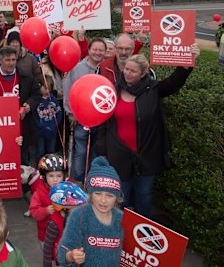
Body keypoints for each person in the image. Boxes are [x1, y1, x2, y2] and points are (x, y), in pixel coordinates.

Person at [96, 50, 199, 218]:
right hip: (119, 156)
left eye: (133, 71)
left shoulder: (153, 89)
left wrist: (187, 63)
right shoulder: (114, 89)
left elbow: (173, 82)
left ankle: (140, 232)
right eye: (126, 69)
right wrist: (102, 149)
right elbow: (105, 122)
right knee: (121, 197)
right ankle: (119, 233)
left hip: (146, 155)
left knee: (144, 195)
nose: (127, 73)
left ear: (143, 73)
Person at [57, 157, 124, 266]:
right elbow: (63, 250)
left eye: (110, 195)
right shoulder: (79, 215)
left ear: (117, 197)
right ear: (90, 194)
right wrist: (71, 256)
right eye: (98, 193)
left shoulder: (122, 219)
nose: (103, 200)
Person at [0, 47, 41, 166]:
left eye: (13, 60)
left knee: (22, 161)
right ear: (0, 61)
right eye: (8, 60)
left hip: (20, 127)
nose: (11, 63)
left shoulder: (26, 76)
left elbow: (37, 94)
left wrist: (28, 105)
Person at [63, 38, 107, 182]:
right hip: (81, 118)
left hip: (101, 120)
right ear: (89, 50)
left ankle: (92, 181)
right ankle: (79, 180)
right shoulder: (77, 68)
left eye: (101, 50)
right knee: (81, 151)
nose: (97, 53)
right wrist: (71, 113)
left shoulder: (106, 68)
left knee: (96, 152)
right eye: (95, 49)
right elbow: (68, 90)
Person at [29, 154, 67, 267]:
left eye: (59, 175)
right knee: (48, 257)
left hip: (63, 235)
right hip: (45, 235)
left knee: (62, 258)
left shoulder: (67, 189)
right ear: (44, 177)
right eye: (51, 176)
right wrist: (45, 210)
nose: (55, 179)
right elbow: (34, 211)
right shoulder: (39, 192)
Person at [34, 76, 62, 160]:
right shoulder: (37, 100)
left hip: (52, 130)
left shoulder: (53, 100)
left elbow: (59, 112)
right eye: (45, 88)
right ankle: (39, 167)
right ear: (40, 86)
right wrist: (39, 126)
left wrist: (55, 125)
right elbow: (35, 115)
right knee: (40, 151)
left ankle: (50, 168)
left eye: (49, 88)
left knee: (51, 150)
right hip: (41, 131)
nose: (47, 91)